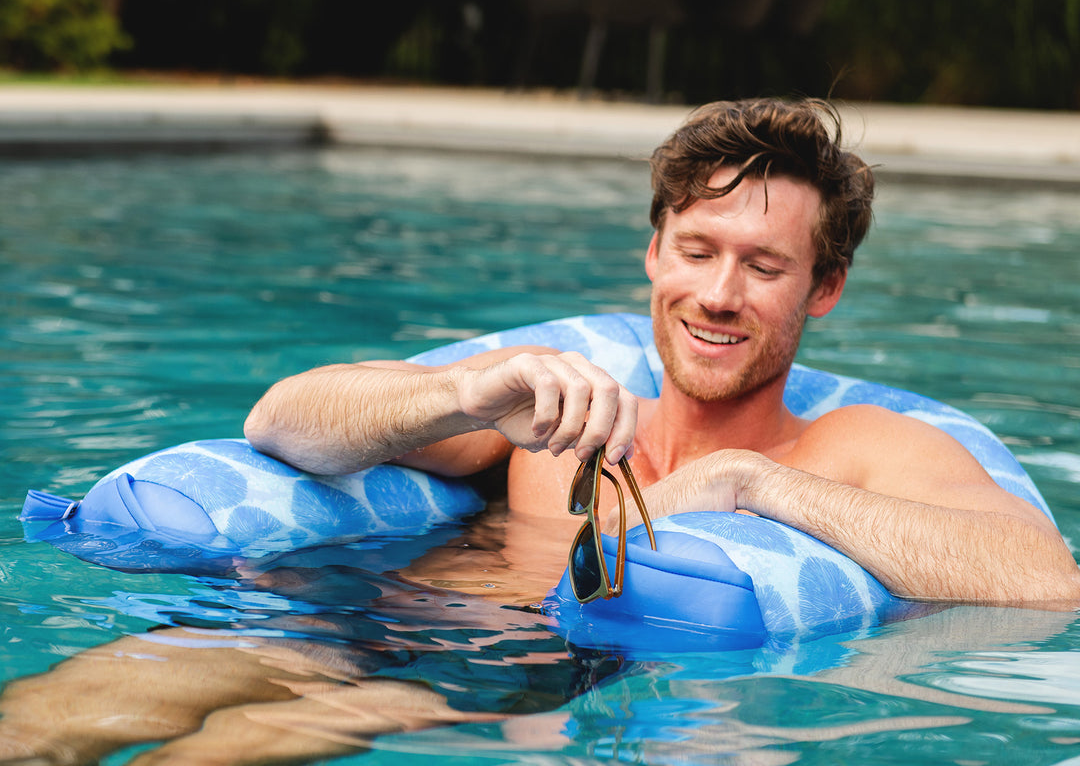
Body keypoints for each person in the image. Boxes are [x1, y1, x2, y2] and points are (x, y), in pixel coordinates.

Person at [245, 97, 1080, 608]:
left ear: (823, 287)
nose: (718, 294)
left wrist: (748, 483)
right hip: (387, 643)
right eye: (695, 251)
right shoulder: (549, 424)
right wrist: (462, 390)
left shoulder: (848, 449)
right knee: (148, 690)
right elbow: (279, 422)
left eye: (763, 266)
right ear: (654, 254)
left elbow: (1046, 579)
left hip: (589, 717)